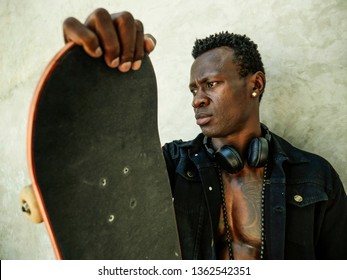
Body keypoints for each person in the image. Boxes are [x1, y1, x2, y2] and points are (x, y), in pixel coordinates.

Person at [62, 8, 347, 259]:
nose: (197, 99)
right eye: (193, 89)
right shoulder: (172, 165)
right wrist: (95, 79)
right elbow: (100, 185)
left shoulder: (315, 177)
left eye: (210, 84)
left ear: (256, 84)